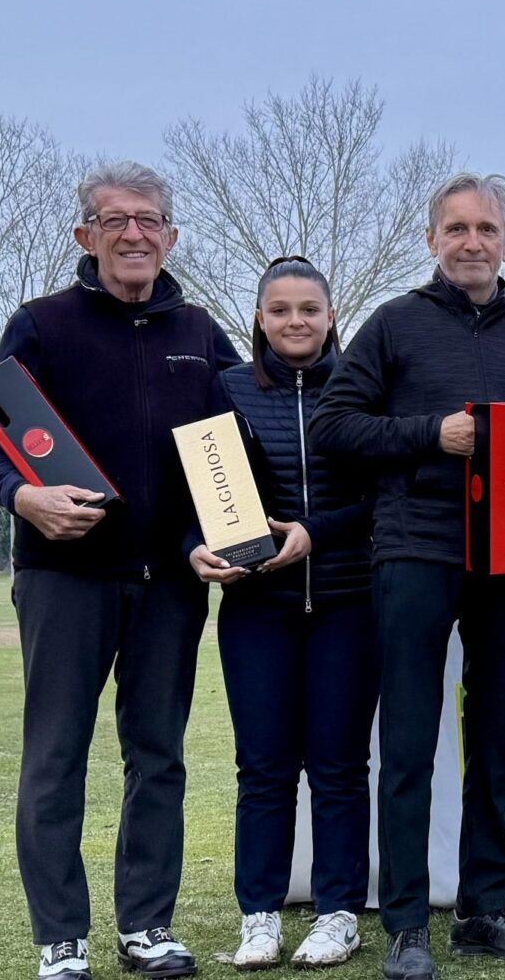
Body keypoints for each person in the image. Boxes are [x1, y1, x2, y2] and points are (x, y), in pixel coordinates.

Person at [0, 161, 239, 980]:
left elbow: (230, 458)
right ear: (85, 235)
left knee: (159, 756)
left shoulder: (201, 334)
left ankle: (145, 927)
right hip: (64, 578)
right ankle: (62, 938)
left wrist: (202, 536)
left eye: (148, 220)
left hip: (171, 583)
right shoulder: (41, 326)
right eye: (114, 220)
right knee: (56, 755)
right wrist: (25, 500)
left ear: (171, 236)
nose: (133, 234)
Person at [310, 172, 505, 980]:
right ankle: (406, 925)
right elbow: (334, 426)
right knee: (412, 745)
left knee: (497, 737)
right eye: (455, 229)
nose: (471, 242)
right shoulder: (392, 325)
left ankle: (484, 911)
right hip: (416, 550)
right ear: (431, 240)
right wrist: (433, 435)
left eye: (486, 229)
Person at [184, 257, 376, 970]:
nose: (295, 321)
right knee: (262, 767)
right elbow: (195, 496)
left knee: (338, 766)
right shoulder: (226, 388)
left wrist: (314, 533)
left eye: (309, 309)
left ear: (331, 316)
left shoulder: (363, 386)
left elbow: (381, 497)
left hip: (349, 603)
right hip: (256, 608)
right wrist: (193, 547)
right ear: (259, 319)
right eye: (280, 310)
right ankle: (259, 915)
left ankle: (337, 913)